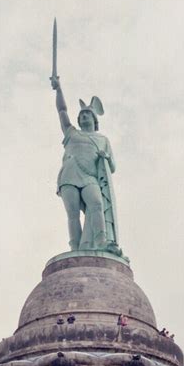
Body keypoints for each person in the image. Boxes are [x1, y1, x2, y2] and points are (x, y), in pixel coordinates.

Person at [50, 77, 121, 253]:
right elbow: (62, 111)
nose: (83, 116)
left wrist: (105, 157)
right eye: (81, 115)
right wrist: (58, 89)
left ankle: (101, 241)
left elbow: (111, 166)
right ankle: (75, 247)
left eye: (86, 114)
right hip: (70, 174)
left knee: (96, 204)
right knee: (72, 214)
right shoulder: (72, 133)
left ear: (94, 119)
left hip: (90, 177)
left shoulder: (103, 140)